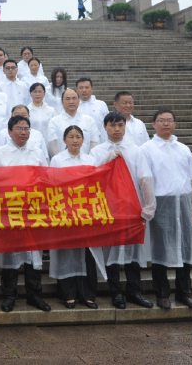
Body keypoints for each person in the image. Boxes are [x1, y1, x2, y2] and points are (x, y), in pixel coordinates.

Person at [90, 111, 156, 309]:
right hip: (108, 209)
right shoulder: (97, 151)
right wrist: (107, 159)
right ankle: (116, 293)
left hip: (131, 208)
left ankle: (134, 291)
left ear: (125, 127)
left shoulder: (136, 150)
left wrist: (149, 206)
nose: (117, 129)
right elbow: (91, 177)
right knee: (111, 252)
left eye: (120, 125)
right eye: (112, 125)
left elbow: (145, 179)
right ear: (104, 127)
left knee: (133, 251)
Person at [141, 110, 192, 310]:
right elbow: (145, 179)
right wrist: (150, 208)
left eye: (169, 120)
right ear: (153, 124)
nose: (165, 123)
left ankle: (184, 292)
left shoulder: (183, 149)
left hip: (182, 203)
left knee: (185, 248)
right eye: (161, 120)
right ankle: (162, 293)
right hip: (161, 204)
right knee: (160, 250)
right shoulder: (147, 149)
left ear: (175, 123)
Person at [0, 116, 50, 312]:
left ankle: (34, 295)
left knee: (34, 254)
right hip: (10, 210)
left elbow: (45, 179)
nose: (23, 132)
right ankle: (9, 296)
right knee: (10, 254)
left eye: (26, 129)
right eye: (18, 128)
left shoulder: (37, 152)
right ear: (9, 132)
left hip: (33, 209)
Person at [49, 126, 108, 309]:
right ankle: (68, 294)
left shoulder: (90, 160)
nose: (75, 140)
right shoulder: (57, 160)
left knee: (88, 255)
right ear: (64, 140)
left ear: (83, 140)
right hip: (65, 213)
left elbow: (96, 185)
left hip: (86, 213)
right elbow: (52, 186)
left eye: (78, 137)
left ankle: (88, 294)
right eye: (71, 137)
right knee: (67, 253)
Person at [47, 89, 100, 157]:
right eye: (68, 99)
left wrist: (87, 159)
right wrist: (61, 160)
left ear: (79, 101)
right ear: (62, 102)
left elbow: (94, 142)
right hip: (62, 162)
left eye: (74, 98)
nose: (71, 101)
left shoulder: (89, 120)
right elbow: (52, 145)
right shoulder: (54, 121)